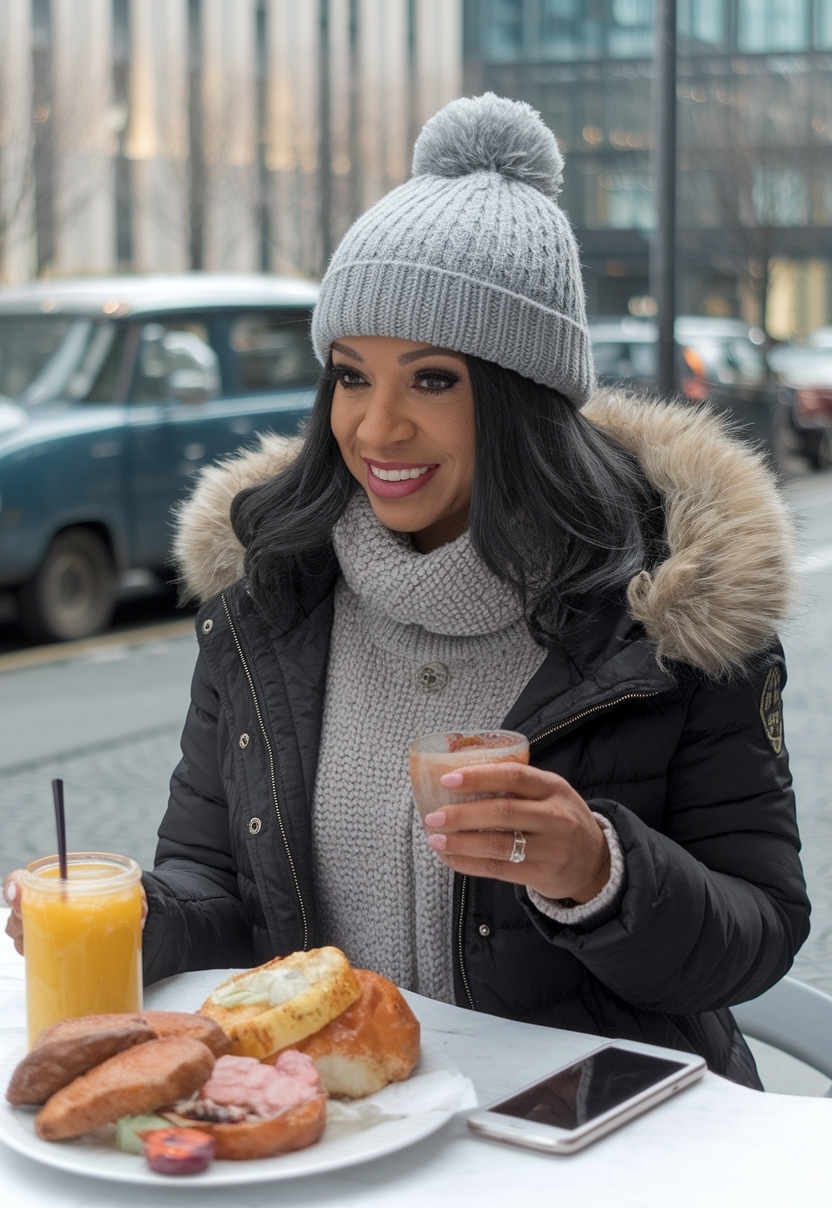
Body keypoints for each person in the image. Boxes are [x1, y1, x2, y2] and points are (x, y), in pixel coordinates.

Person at [4, 94, 809, 1088]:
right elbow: (216, 884)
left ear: (522, 403)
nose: (376, 431)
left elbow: (759, 934)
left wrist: (597, 871)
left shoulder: (670, 615)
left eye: (431, 381)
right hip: (342, 1128)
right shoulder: (267, 600)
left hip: (602, 1139)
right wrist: (136, 914)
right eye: (350, 377)